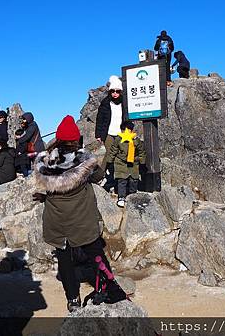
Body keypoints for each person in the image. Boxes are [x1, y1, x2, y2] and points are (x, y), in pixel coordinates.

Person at [32, 115, 126, 312]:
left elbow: (44, 186)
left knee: (65, 260)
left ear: (57, 138)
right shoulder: (84, 159)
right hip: (82, 219)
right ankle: (110, 288)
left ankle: (73, 299)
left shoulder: (44, 161)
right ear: (75, 139)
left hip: (57, 221)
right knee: (95, 253)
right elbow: (99, 176)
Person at [105, 121, 146, 207]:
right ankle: (121, 197)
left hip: (134, 163)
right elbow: (113, 150)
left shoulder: (136, 140)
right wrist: (110, 161)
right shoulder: (118, 139)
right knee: (122, 180)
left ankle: (132, 195)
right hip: (121, 162)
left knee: (133, 179)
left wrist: (142, 162)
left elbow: (141, 151)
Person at [95, 76, 123, 191]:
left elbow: (127, 118)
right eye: (112, 91)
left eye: (117, 91)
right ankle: (100, 176)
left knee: (119, 155)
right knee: (110, 154)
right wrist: (98, 135)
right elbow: (99, 119)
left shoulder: (124, 103)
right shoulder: (105, 103)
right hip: (109, 134)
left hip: (121, 133)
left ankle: (115, 179)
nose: (115, 93)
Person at [14, 112, 45, 177]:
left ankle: (40, 176)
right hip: (33, 147)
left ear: (28, 119)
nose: (23, 120)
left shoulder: (33, 125)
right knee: (35, 163)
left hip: (36, 147)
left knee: (38, 163)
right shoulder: (30, 125)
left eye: (24, 119)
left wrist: (19, 140)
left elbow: (27, 136)